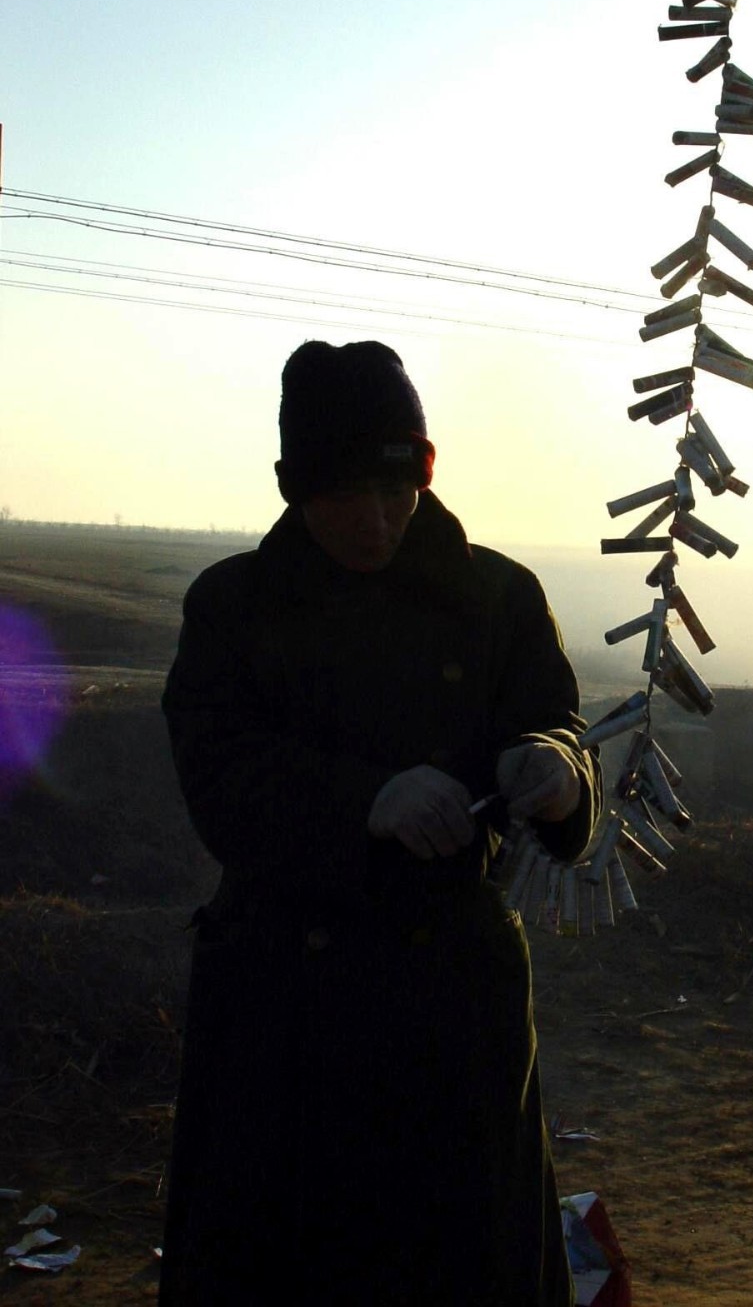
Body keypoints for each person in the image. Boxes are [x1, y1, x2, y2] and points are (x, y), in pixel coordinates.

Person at [159, 340, 600, 1305]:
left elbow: (556, 723)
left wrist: (559, 772)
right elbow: (219, 778)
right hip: (284, 1017)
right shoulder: (232, 608)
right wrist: (367, 799)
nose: (376, 521)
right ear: (295, 488)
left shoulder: (497, 597)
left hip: (453, 1012)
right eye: (345, 498)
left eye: (396, 493)